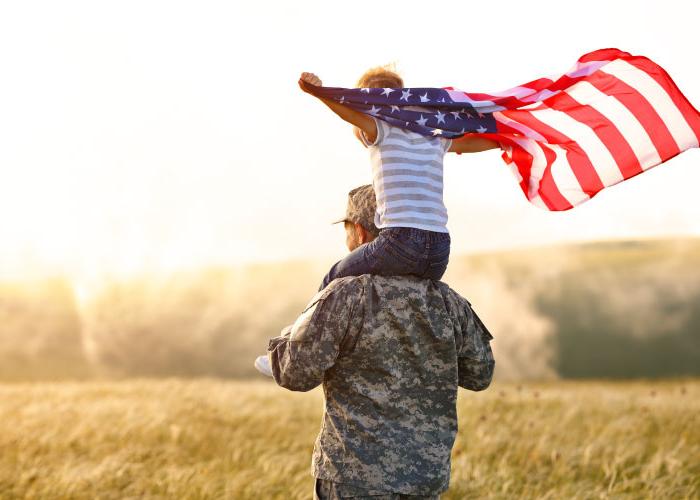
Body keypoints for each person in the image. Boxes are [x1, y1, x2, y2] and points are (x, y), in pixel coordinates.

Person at [256, 185, 495, 499]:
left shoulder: (345, 294)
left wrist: (284, 344)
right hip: (424, 481)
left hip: (355, 479)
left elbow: (295, 374)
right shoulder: (450, 302)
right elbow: (480, 375)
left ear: (359, 232)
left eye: (346, 230)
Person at [298, 67, 500, 291]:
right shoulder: (432, 134)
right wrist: (509, 138)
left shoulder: (382, 128)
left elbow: (348, 115)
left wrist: (318, 92)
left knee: (332, 278)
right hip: (439, 253)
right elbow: (472, 144)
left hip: (400, 242)